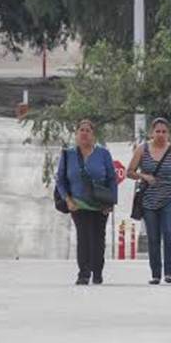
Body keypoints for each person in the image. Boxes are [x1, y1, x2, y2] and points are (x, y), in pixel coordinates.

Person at [127, 117, 171, 284]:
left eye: (164, 131)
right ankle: (156, 273)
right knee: (153, 237)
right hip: (149, 200)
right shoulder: (142, 149)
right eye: (158, 131)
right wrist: (143, 176)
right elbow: (130, 172)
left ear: (168, 134)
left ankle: (169, 272)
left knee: (170, 234)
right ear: (151, 133)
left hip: (170, 198)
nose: (161, 134)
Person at [55, 119, 117, 285]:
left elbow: (112, 178)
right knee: (83, 237)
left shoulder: (103, 154)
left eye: (88, 130)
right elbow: (60, 180)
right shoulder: (68, 154)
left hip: (100, 203)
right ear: (76, 134)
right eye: (81, 130)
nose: (84, 133)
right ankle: (83, 272)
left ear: (93, 135)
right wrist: (67, 199)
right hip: (78, 203)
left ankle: (97, 271)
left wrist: (111, 202)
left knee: (98, 237)